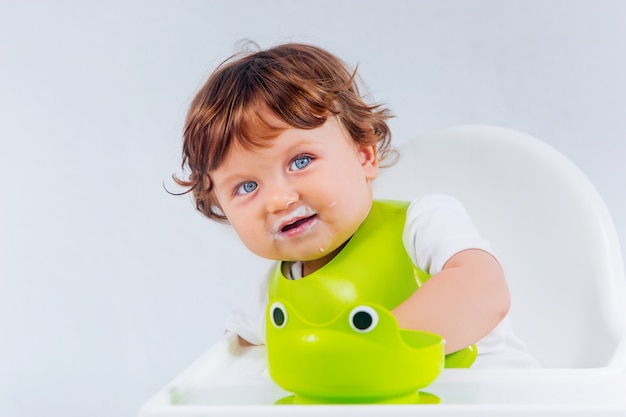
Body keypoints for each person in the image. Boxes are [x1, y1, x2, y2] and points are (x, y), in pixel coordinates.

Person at [174, 42, 538, 368]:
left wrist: (364, 350)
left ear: (364, 156)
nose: (278, 200)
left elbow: (483, 293)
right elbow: (229, 374)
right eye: (247, 186)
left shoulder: (421, 225)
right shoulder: (266, 300)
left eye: (300, 161)